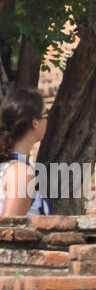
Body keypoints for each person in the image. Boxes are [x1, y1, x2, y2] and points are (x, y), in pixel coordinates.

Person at [0, 88, 51, 217]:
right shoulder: (20, 172)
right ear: (35, 123)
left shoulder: (11, 166)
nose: (47, 120)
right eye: (46, 114)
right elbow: (10, 231)